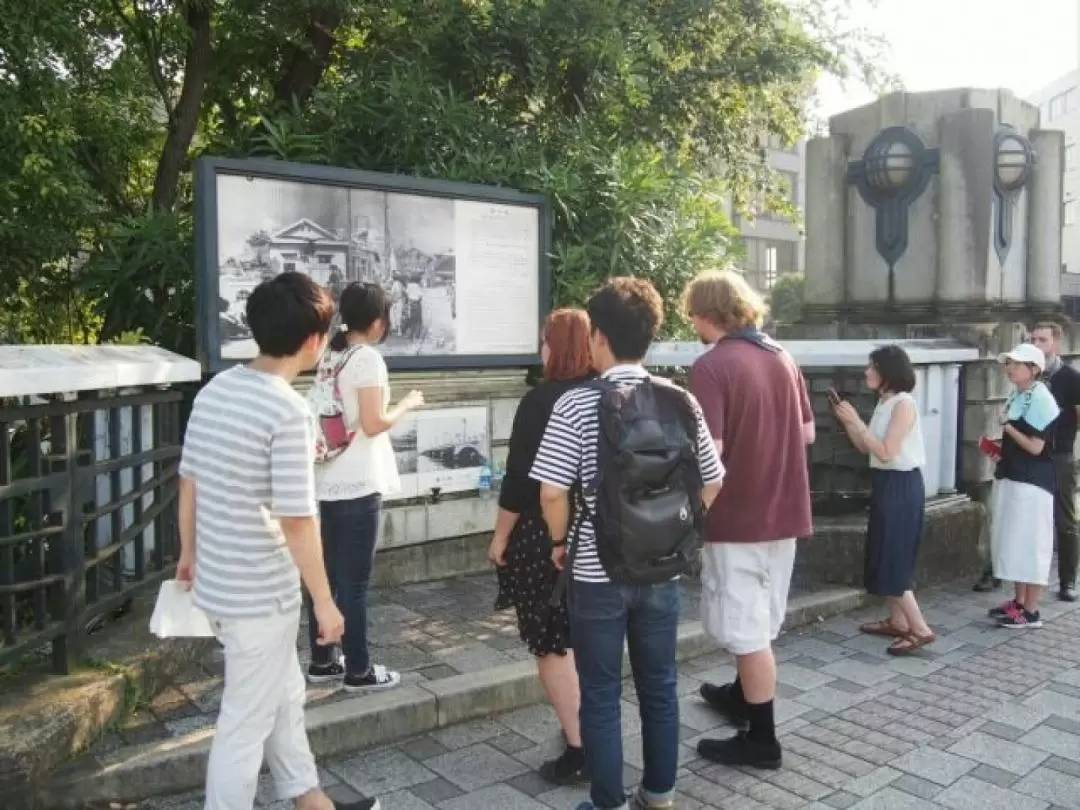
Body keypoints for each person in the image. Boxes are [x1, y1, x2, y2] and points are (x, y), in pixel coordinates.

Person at [176, 272, 378, 810]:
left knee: (284, 696)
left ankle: (309, 799)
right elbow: (297, 521)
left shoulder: (217, 388)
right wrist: (326, 601)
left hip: (221, 583)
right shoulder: (287, 409)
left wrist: (188, 555)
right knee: (244, 725)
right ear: (313, 339)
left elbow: (189, 481)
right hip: (261, 595)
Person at [530, 278, 724, 810]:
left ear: (598, 336)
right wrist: (682, 528)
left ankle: (608, 802)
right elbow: (713, 478)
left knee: (599, 694)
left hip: (596, 572)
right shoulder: (680, 399)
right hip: (662, 568)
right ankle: (658, 795)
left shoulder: (576, 403)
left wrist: (557, 541)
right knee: (660, 686)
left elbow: (550, 491)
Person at [682, 270, 814, 770]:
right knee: (761, 617)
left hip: (739, 517)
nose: (691, 320)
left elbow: (708, 455)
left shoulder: (712, 366)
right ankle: (742, 696)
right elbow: (806, 435)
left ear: (707, 313)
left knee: (745, 628)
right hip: (787, 511)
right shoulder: (782, 356)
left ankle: (762, 739)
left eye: (692, 311)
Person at [488, 308, 593, 785]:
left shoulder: (542, 401)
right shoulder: (604, 392)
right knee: (587, 637)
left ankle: (579, 745)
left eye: (546, 341)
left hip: (544, 533)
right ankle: (590, 730)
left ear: (557, 346)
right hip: (598, 531)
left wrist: (499, 537)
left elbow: (520, 483)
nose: (541, 349)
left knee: (551, 640)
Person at [306, 282, 424, 691]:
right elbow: (373, 423)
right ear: (376, 322)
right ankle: (359, 670)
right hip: (357, 482)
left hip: (326, 480)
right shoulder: (367, 359)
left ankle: (323, 661)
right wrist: (407, 404)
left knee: (325, 579)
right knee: (353, 583)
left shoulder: (330, 354)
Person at [832, 345, 935, 655]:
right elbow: (866, 447)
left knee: (893, 553)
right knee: (885, 548)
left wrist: (857, 423)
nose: (867, 372)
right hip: (886, 481)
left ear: (889, 372)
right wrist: (849, 421)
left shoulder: (903, 404)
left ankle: (919, 628)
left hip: (901, 483)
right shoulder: (885, 402)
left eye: (873, 367)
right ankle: (898, 620)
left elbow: (887, 451)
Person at [985, 343, 1061, 629]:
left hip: (1033, 482)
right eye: (1009, 363)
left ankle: (1031, 610)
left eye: (1017, 364)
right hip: (1013, 476)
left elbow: (1035, 446)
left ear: (1033, 369)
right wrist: (997, 450)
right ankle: (1018, 602)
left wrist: (1008, 429)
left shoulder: (1042, 399)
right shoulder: (1018, 394)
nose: (1010, 368)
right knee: (1015, 541)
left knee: (1031, 543)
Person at [1030, 322, 1080, 602]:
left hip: (1059, 456)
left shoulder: (1071, 378)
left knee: (1064, 520)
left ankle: (1067, 581)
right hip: (1031, 456)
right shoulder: (1028, 376)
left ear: (1056, 344)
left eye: (1043, 340)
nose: (1037, 345)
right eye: (1033, 339)